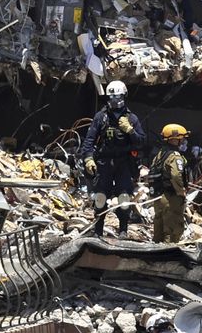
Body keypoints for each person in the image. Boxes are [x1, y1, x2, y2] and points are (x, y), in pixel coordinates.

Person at [81, 80, 145, 237]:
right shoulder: (101, 117)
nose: (115, 100)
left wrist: (130, 131)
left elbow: (142, 142)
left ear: (124, 97)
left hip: (124, 162)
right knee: (100, 197)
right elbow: (89, 141)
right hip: (104, 162)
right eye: (112, 97)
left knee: (124, 198)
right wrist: (89, 158)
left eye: (118, 97)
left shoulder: (132, 119)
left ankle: (123, 229)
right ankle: (98, 230)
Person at [149, 124, 190, 243]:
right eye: (181, 139)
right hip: (171, 198)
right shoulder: (175, 156)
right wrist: (180, 191)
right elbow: (176, 175)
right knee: (172, 231)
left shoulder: (159, 154)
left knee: (159, 231)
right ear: (173, 139)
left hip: (159, 197)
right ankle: (169, 259)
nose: (183, 142)